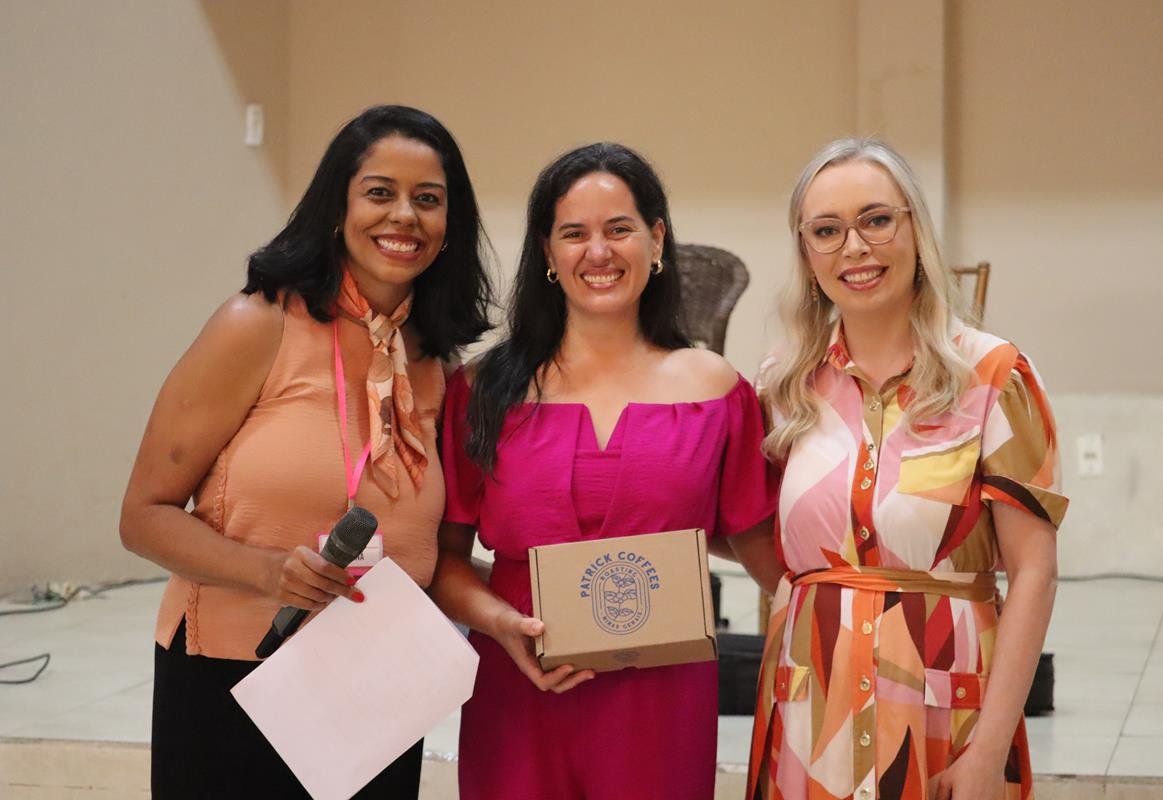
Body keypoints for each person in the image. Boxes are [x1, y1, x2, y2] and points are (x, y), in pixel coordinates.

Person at [119, 105, 492, 798]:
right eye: (379, 192)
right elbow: (142, 517)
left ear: (450, 225)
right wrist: (268, 573)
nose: (404, 215)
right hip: (239, 670)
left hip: (377, 679)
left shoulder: (433, 362)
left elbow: (435, 547)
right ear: (336, 208)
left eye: (428, 199)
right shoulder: (255, 324)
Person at [428, 142, 780, 800]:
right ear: (547, 252)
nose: (598, 252)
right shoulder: (482, 389)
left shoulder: (715, 390)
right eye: (574, 233)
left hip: (662, 702)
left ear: (657, 239)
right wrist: (500, 624)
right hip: (518, 685)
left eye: (619, 229)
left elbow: (768, 551)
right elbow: (441, 559)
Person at [739, 138, 1068, 800]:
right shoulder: (784, 382)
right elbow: (755, 530)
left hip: (946, 714)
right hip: (812, 718)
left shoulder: (993, 376)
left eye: (877, 220)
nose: (854, 247)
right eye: (826, 230)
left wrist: (989, 751)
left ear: (916, 228)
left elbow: (1034, 573)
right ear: (805, 252)